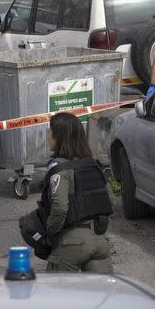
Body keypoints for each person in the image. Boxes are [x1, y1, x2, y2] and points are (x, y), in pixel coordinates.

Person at [38, 112, 113, 272]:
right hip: (98, 241)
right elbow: (106, 200)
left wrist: (49, 231)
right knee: (101, 294)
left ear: (58, 136)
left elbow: (60, 207)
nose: (48, 137)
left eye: (50, 132)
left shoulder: (58, 168)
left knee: (59, 295)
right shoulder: (92, 165)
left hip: (72, 243)